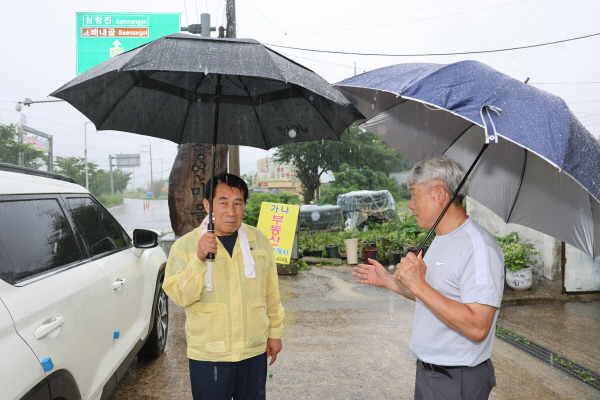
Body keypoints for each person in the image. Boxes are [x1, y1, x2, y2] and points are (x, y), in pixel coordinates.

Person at [353, 155, 504, 400]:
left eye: (414, 194)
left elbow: (478, 327)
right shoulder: (441, 238)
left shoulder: (479, 248)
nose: (410, 205)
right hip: (430, 374)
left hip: (457, 381)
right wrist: (392, 282)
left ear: (439, 195)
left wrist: (419, 285)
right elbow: (438, 297)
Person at [163, 173, 285, 400]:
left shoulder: (258, 241)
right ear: (208, 205)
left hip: (253, 351)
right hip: (209, 356)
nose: (231, 211)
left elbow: (271, 293)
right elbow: (180, 297)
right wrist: (198, 258)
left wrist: (275, 333)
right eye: (223, 202)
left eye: (238, 203)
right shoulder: (185, 246)